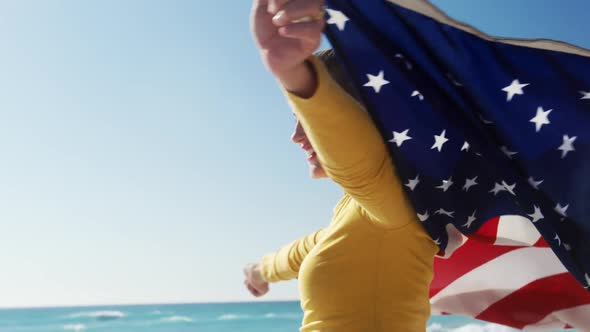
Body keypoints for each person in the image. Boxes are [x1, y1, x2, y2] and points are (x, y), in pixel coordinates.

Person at [244, 0, 438, 330]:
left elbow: (353, 159)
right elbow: (310, 247)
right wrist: (260, 271)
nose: (295, 136)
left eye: (307, 120)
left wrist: (297, 76)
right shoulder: (365, 211)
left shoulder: (390, 194)